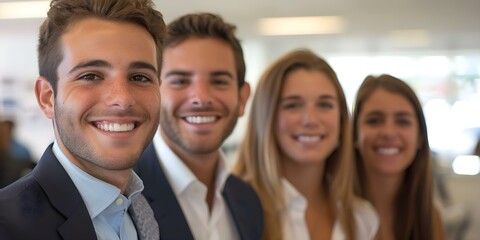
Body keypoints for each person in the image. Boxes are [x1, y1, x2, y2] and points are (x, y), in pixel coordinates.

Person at [0, 0, 166, 239]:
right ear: (47, 97)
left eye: (140, 77)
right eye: (90, 75)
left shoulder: (146, 214)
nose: (122, 99)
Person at [134, 13, 263, 240]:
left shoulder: (248, 201)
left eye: (219, 81)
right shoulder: (122, 198)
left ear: (242, 98)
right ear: (153, 93)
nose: (201, 98)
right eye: (180, 81)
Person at [233, 49, 379, 240]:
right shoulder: (235, 210)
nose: (310, 119)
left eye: (325, 105)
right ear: (266, 118)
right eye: (292, 105)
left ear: (342, 119)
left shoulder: (361, 218)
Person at [352, 74, 445, 240]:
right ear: (354, 136)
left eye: (402, 122)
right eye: (374, 121)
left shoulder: (430, 217)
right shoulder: (330, 212)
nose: (389, 133)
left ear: (420, 138)